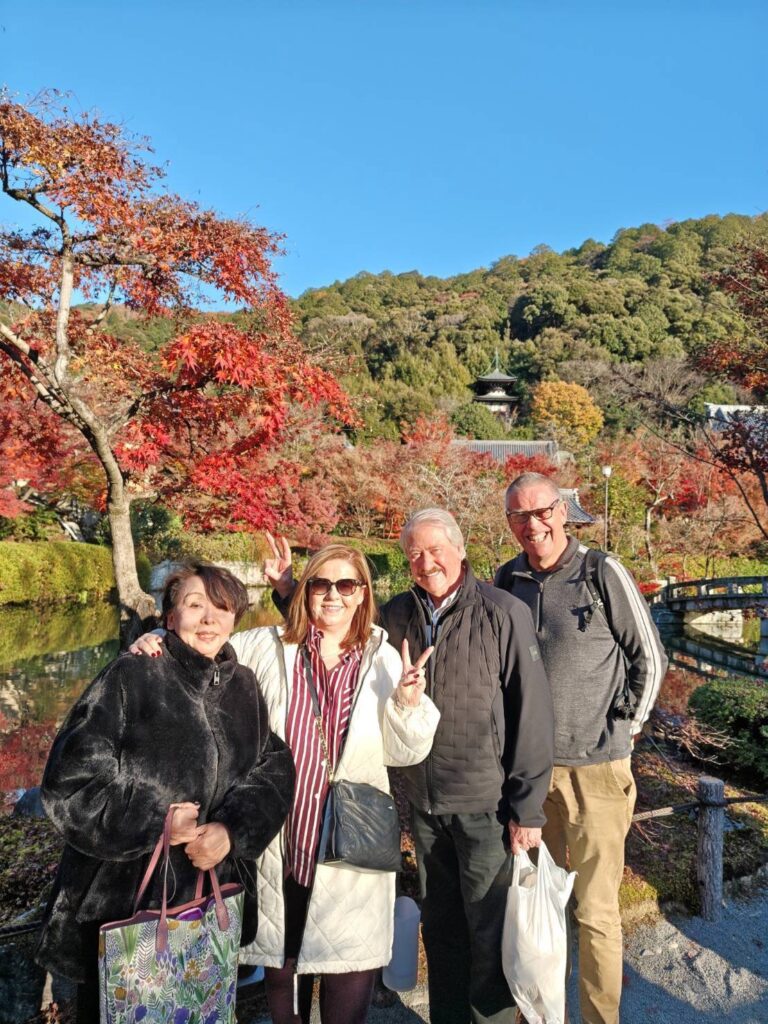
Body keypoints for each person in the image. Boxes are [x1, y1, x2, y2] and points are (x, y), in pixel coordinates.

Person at [132, 543, 440, 1024]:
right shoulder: (266, 646)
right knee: (282, 971)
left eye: (346, 585)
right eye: (321, 584)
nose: (333, 595)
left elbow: (407, 753)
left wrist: (408, 704)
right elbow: (203, 648)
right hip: (280, 837)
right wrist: (156, 636)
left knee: (348, 979)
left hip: (351, 844)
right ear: (306, 590)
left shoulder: (384, 658)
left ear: (363, 594)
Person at [267, 514, 554, 1024]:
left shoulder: (502, 611)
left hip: (486, 803)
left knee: (490, 932)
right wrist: (291, 590)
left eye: (436, 549)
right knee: (440, 929)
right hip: (423, 804)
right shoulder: (396, 615)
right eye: (415, 554)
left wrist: (527, 808)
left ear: (460, 549)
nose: (427, 562)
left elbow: (532, 712)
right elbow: (333, 627)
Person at [36, 561, 295, 1024]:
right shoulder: (133, 676)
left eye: (222, 608)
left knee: (203, 1008)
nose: (209, 619)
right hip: (124, 901)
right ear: (171, 617)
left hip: (209, 898)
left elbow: (272, 769)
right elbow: (70, 782)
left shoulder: (242, 685)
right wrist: (156, 821)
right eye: (195, 605)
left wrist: (230, 831)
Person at [495, 473, 668, 1024]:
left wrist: (626, 727)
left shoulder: (601, 571)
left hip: (597, 769)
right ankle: (539, 1015)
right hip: (529, 775)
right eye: (520, 516)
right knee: (533, 905)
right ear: (510, 523)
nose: (533, 525)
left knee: (595, 912)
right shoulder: (508, 579)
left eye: (542, 511)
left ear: (563, 511)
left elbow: (649, 658)